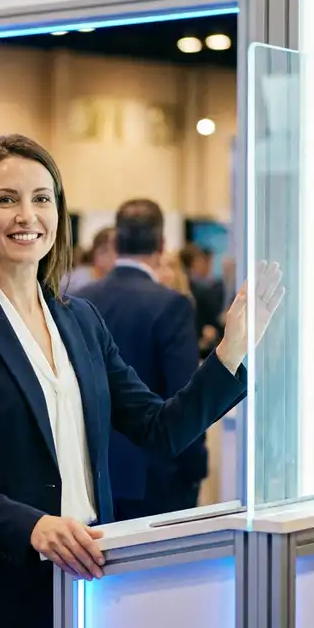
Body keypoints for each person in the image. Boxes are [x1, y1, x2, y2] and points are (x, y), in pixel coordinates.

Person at [0, 134, 283, 628]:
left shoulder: (79, 319)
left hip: (82, 594)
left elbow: (160, 428)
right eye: (6, 199)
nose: (27, 215)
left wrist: (231, 352)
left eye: (42, 198)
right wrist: (35, 526)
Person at [77, 200, 210, 521]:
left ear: (115, 242)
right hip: (156, 476)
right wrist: (195, 467)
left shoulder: (80, 301)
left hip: (92, 472)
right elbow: (185, 394)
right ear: (162, 245)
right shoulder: (171, 305)